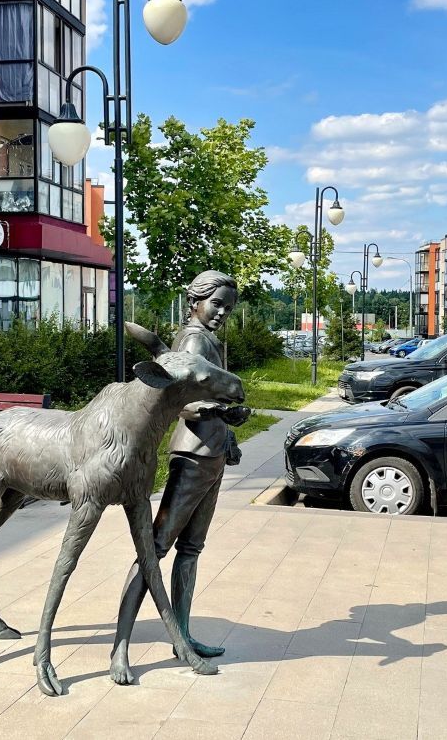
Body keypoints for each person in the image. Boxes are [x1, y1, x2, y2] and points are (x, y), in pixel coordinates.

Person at [109, 270, 251, 685]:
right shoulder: (193, 340)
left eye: (229, 307)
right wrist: (221, 412)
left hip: (212, 454)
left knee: (191, 549)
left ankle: (182, 635)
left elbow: (211, 394)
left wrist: (228, 427)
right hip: (192, 456)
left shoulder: (207, 338)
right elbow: (176, 400)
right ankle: (120, 648)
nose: (222, 313)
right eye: (216, 304)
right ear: (194, 301)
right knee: (154, 549)